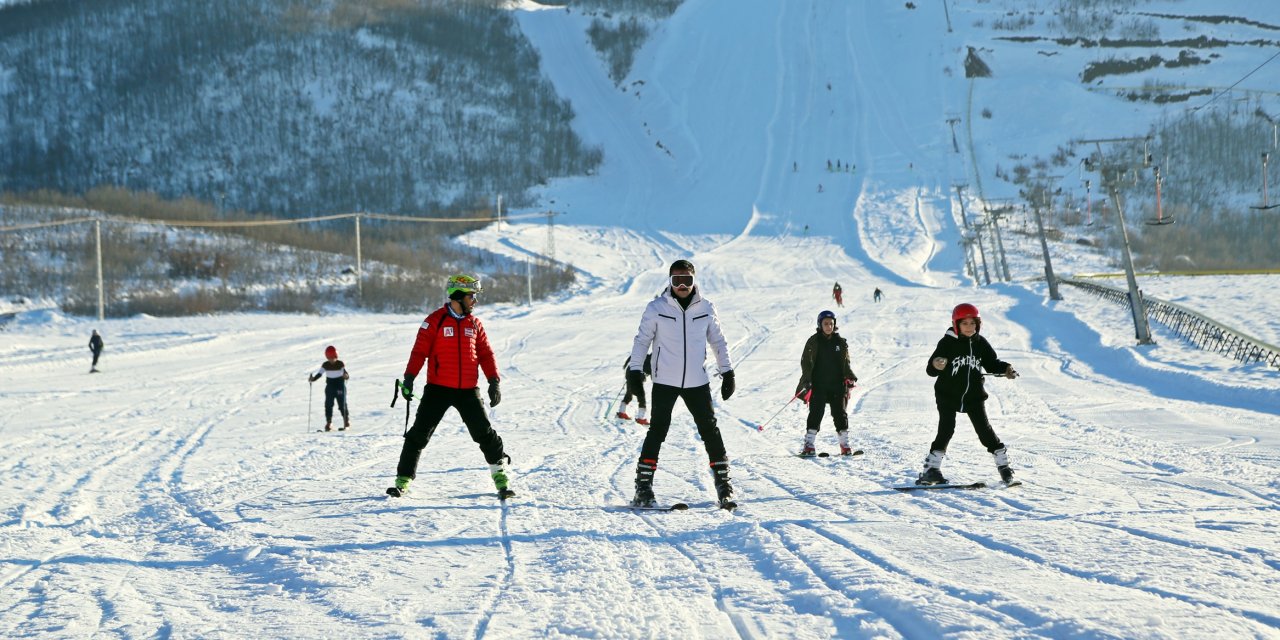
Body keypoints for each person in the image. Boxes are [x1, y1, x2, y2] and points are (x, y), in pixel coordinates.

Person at [388, 274, 512, 498]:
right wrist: (409, 378)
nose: (474, 301)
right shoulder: (434, 320)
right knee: (418, 435)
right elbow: (419, 352)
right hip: (438, 389)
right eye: (471, 297)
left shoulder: (474, 324)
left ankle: (501, 478)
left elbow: (485, 354)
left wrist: (494, 381)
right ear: (458, 296)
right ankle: (402, 480)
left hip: (468, 391)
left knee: (484, 433)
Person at [628, 259, 737, 509]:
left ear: (694, 280)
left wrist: (727, 372)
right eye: (677, 280)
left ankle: (723, 485)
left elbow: (718, 342)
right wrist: (635, 371)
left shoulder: (706, 308)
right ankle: (643, 487)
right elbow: (642, 339)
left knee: (710, 429)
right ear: (670, 281)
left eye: (687, 280)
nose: (682, 285)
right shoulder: (656, 308)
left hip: (697, 381)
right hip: (665, 380)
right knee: (658, 430)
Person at [919, 303, 1019, 486]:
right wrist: (936, 364)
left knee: (985, 432)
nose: (969, 327)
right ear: (956, 324)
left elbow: (992, 363)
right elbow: (931, 370)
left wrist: (1006, 368)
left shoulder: (980, 343)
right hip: (947, 395)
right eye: (964, 323)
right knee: (946, 430)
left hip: (974, 396)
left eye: (973, 323)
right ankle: (931, 470)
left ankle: (1004, 467)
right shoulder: (947, 342)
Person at [794, 311, 859, 456]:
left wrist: (850, 377)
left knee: (840, 414)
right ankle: (809, 445)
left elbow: (845, 364)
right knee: (816, 413)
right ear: (820, 325)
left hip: (837, 384)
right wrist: (807, 379)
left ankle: (845, 446)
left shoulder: (840, 343)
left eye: (831, 323)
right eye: (825, 323)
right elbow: (805, 363)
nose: (829, 326)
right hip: (818, 384)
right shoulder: (813, 341)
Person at [308, 345, 350, 431]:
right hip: (330, 386)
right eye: (329, 358)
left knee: (342, 404)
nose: (331, 360)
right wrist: (313, 379)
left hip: (340, 386)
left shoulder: (340, 364)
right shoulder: (325, 365)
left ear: (336, 356)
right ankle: (329, 423)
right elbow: (319, 374)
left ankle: (346, 422)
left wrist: (346, 376)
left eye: (333, 357)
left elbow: (346, 374)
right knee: (328, 405)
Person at [616, 353, 651, 425]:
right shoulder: (652, 360)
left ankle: (621, 412)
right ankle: (641, 419)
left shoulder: (644, 356)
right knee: (641, 397)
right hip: (636, 376)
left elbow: (633, 356)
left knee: (629, 394)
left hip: (629, 372)